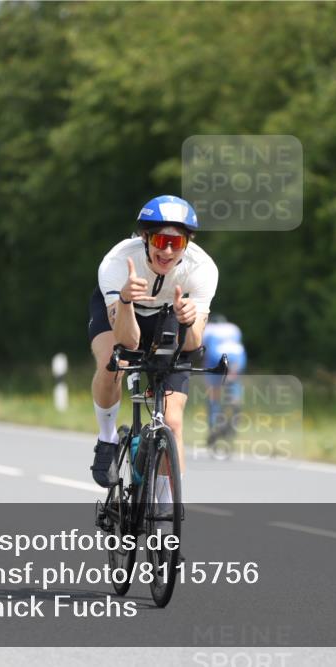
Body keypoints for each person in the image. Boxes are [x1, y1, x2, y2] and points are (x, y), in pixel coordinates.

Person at [87, 195, 218, 501]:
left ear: (188, 242)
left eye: (178, 242)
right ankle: (107, 438)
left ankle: (163, 520)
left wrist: (188, 321)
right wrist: (126, 300)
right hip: (124, 309)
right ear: (145, 237)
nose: (168, 250)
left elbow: (193, 343)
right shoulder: (118, 263)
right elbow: (128, 341)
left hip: (169, 316)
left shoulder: (202, 269)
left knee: (172, 421)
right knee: (112, 362)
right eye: (161, 239)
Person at [201, 315, 246, 448]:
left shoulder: (208, 329)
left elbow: (203, 349)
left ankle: (214, 423)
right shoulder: (234, 328)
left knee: (213, 392)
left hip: (217, 357)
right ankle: (235, 401)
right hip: (238, 357)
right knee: (233, 379)